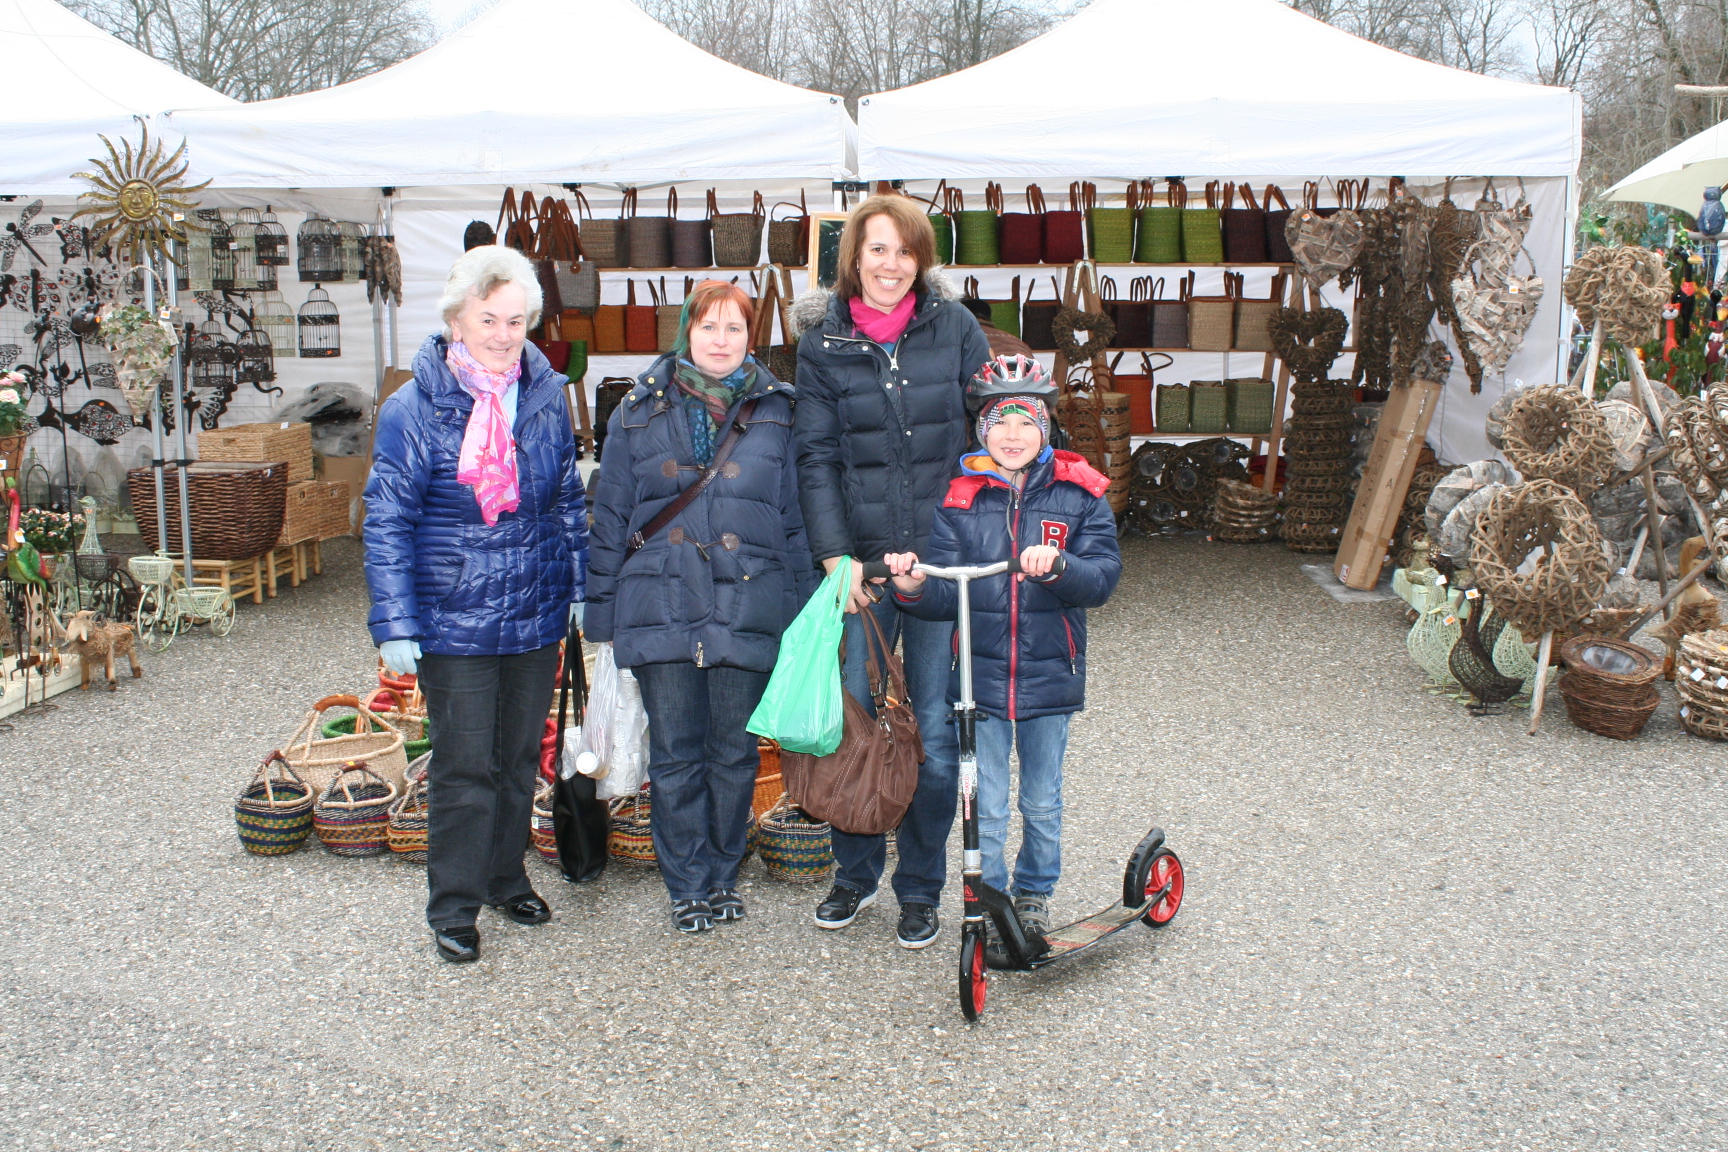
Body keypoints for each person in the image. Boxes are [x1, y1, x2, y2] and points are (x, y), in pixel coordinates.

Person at [364, 245, 588, 964]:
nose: (502, 334)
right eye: (488, 319)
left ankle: (504, 877)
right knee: (465, 766)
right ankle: (454, 906)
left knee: (518, 758)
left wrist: (581, 586)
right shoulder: (413, 408)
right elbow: (387, 520)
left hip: (533, 607)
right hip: (453, 613)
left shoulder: (545, 395)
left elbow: (568, 499)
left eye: (515, 321)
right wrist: (395, 622)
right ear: (456, 319)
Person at [791, 193, 992, 948]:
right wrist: (836, 558)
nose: (891, 264)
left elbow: (993, 434)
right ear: (854, 257)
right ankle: (854, 874)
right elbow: (815, 457)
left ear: (922, 260)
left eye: (905, 250)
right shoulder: (824, 342)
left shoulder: (956, 327)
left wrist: (963, 541)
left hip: (939, 566)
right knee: (857, 726)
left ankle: (920, 887)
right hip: (863, 572)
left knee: (935, 733)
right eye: (877, 248)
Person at [585, 280, 814, 934]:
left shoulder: (780, 412)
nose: (720, 340)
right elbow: (609, 518)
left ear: (751, 338)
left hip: (747, 599)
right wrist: (600, 615)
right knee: (676, 753)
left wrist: (802, 615)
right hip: (661, 599)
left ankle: (721, 874)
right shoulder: (637, 411)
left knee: (734, 753)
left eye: (734, 328)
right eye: (708, 326)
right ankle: (686, 883)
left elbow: (795, 520)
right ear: (686, 332)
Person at [883, 356, 1122, 968]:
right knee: (985, 803)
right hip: (982, 678)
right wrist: (913, 586)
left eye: (1026, 422)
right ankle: (990, 899)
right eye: (1000, 423)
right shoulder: (962, 500)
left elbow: (1102, 579)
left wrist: (1061, 567)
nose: (1013, 435)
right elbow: (945, 594)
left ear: (1046, 428)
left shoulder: (1079, 493)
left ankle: (1034, 892)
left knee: (1040, 800)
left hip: (1049, 676)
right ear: (981, 431)